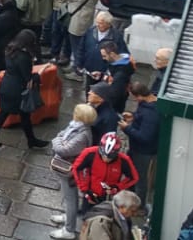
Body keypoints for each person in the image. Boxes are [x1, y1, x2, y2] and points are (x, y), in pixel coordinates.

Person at [0, 29, 50, 150]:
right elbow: (27, 77)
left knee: (8, 114)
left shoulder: (10, 50)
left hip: (7, 86)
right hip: (17, 90)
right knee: (19, 115)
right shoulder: (23, 57)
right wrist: (38, 75)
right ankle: (30, 141)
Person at [48, 103, 98, 240]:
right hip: (67, 169)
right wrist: (60, 139)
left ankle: (69, 229)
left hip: (69, 171)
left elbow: (63, 149)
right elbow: (62, 134)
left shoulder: (82, 135)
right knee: (70, 197)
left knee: (70, 198)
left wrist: (56, 141)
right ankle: (69, 216)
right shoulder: (76, 126)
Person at [119, 80, 160, 208]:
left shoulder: (151, 114)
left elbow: (145, 137)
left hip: (143, 151)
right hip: (138, 148)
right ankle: (131, 194)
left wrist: (127, 128)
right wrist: (133, 117)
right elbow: (142, 118)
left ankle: (139, 206)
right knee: (134, 173)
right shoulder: (150, 103)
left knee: (140, 178)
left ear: (139, 96)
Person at [70, 132, 139, 209]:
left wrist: (117, 187)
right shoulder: (89, 153)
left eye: (110, 157)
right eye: (103, 155)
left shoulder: (124, 160)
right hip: (91, 193)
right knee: (85, 216)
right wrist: (85, 190)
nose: (106, 159)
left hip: (110, 198)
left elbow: (133, 177)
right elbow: (76, 168)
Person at [79, 189, 144, 240]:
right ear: (122, 207)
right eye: (132, 211)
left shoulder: (123, 216)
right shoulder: (100, 221)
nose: (135, 214)